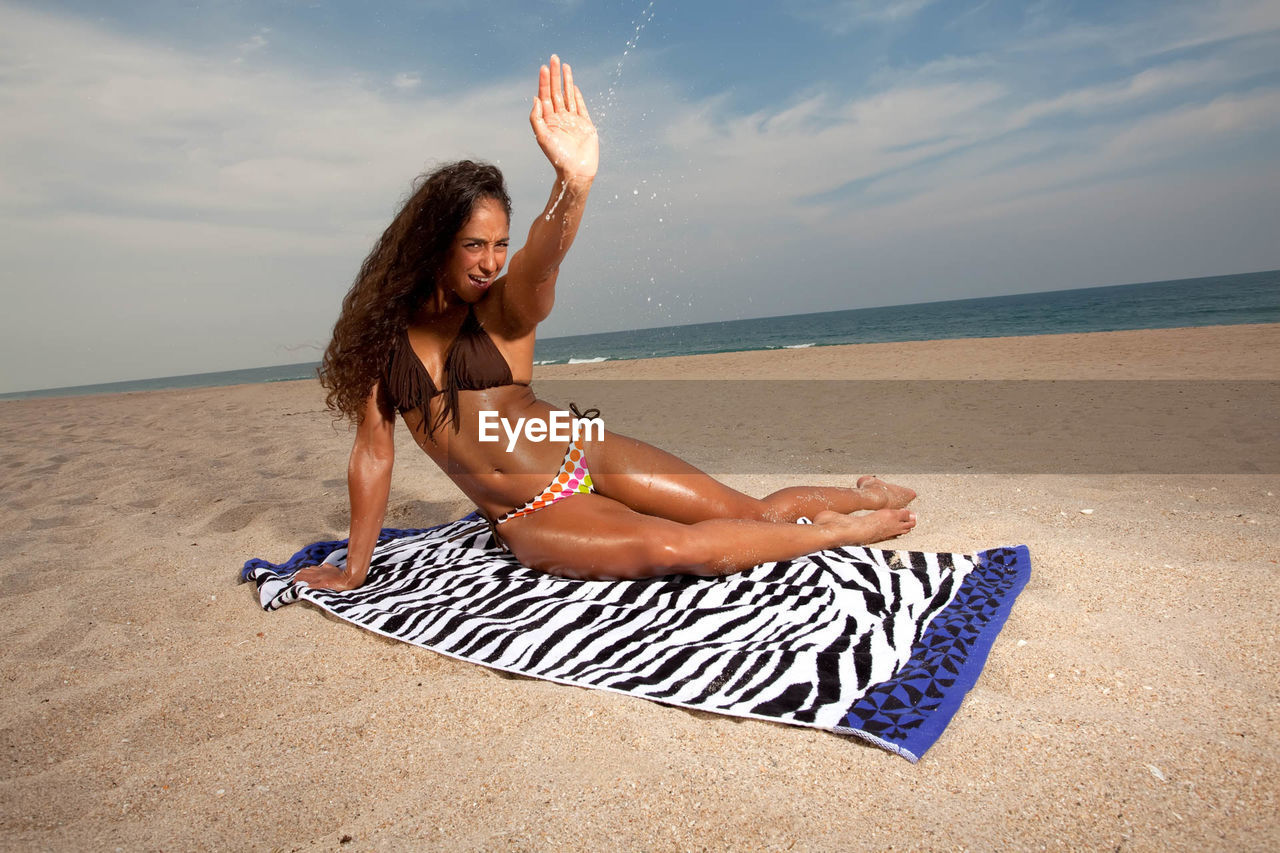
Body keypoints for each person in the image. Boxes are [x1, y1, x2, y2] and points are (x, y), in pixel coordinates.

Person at [295, 56, 916, 590]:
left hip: (583, 452)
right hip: (530, 513)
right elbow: (373, 458)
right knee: (676, 550)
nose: (490, 263)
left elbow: (544, 255)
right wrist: (354, 567)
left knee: (755, 515)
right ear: (434, 243)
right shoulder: (384, 342)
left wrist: (574, 182)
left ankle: (865, 497)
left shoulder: (503, 306)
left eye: (499, 244)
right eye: (472, 245)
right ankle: (840, 534)